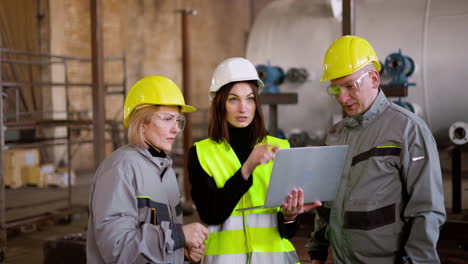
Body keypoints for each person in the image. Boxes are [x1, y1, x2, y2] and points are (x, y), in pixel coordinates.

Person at [306, 35, 446, 264]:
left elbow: (426, 210)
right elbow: (326, 206)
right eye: (335, 89)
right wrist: (317, 251)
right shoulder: (335, 135)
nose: (342, 97)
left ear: (373, 78)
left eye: (350, 86)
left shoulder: (408, 130)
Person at [188, 57, 321, 264]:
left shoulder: (280, 148)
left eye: (250, 99)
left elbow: (287, 232)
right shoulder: (201, 153)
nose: (243, 108)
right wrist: (246, 169)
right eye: (233, 99)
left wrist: (290, 216)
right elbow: (210, 214)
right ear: (220, 103)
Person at [87, 75, 209, 264]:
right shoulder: (120, 169)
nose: (176, 129)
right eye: (167, 119)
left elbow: (159, 247)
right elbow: (116, 248)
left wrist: (181, 252)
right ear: (142, 123)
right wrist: (177, 236)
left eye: (178, 120)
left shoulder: (165, 170)